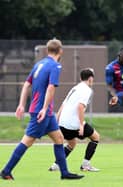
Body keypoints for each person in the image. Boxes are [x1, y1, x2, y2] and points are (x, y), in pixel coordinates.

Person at [0, 39, 84, 180]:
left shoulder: (39, 64)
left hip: (45, 112)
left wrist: (21, 104)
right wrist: (44, 109)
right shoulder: (55, 66)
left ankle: (64, 173)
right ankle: (6, 171)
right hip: (42, 111)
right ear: (60, 51)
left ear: (47, 50)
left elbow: (27, 84)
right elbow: (51, 88)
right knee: (27, 141)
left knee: (59, 138)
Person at [48, 68, 100, 172]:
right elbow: (80, 107)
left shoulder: (75, 88)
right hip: (73, 123)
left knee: (72, 143)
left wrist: (57, 121)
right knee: (95, 137)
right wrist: (81, 125)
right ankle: (86, 165)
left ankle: (56, 165)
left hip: (63, 122)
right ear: (90, 79)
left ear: (80, 78)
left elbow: (63, 104)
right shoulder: (87, 90)